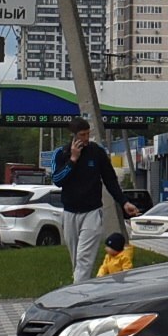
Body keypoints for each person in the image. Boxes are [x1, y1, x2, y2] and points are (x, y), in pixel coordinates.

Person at [50, 119, 134, 281]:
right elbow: (58, 180)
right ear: (73, 136)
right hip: (70, 213)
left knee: (84, 259)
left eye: (88, 134)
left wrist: (124, 202)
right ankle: (83, 290)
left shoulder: (97, 152)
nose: (86, 138)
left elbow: (110, 180)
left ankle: (76, 296)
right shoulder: (61, 154)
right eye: (82, 135)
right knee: (76, 259)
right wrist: (73, 159)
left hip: (92, 212)